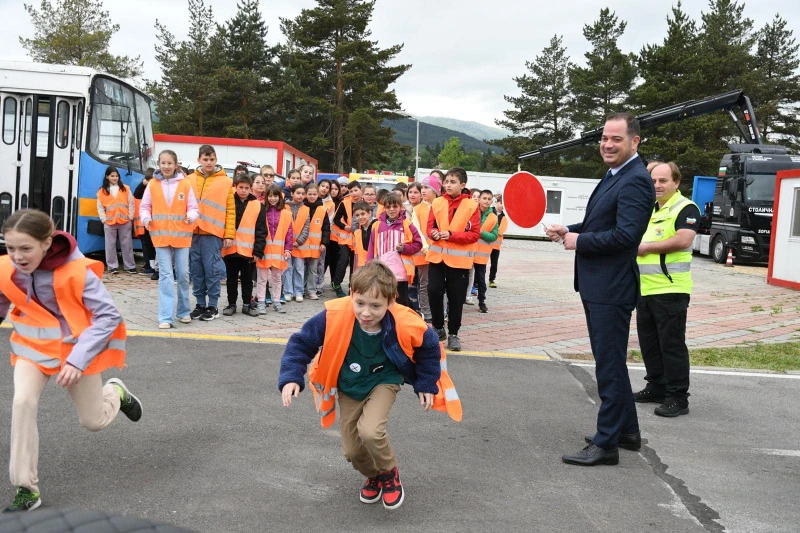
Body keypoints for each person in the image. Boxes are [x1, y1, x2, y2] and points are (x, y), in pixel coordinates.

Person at [278, 261, 462, 510]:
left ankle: (389, 473)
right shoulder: (334, 315)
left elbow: (428, 346)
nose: (366, 313)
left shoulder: (404, 320)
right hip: (350, 384)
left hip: (384, 379)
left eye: (375, 306)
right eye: (360, 303)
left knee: (371, 430)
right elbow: (301, 342)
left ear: (391, 301)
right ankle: (374, 475)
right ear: (352, 295)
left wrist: (427, 383)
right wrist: (291, 376)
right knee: (352, 451)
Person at [0, 209, 143, 513]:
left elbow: (108, 317)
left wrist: (77, 360)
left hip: (75, 354)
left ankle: (115, 392)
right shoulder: (6, 269)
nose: (17, 257)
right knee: (22, 402)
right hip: (32, 350)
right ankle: (26, 488)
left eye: (25, 248)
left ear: (47, 243)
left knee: (93, 421)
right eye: (10, 248)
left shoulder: (77, 271)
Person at [545, 112, 655, 467]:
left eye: (616, 139)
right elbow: (600, 223)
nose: (607, 145)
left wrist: (579, 240)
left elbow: (626, 237)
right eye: (604, 138)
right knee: (611, 363)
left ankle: (607, 444)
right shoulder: (616, 175)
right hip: (599, 286)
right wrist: (569, 230)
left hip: (612, 288)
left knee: (608, 366)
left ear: (634, 142)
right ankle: (627, 432)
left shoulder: (636, 180)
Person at [634, 162, 699, 417]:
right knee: (649, 344)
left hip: (671, 290)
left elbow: (684, 239)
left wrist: (647, 247)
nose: (657, 186)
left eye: (663, 181)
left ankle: (678, 397)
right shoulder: (649, 208)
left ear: (676, 182)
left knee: (671, 345)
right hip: (645, 289)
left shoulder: (685, 207)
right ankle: (656, 387)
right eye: (653, 181)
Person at [140, 150, 199, 329]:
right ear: (159, 164)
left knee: (183, 274)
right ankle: (165, 316)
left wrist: (190, 216)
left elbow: (194, 207)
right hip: (160, 236)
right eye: (163, 163)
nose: (166, 166)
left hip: (181, 236)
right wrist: (146, 219)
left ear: (176, 164)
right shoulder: (152, 185)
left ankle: (183, 311)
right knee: (165, 276)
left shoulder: (186, 184)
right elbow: (144, 207)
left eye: (169, 163)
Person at [426, 167, 480, 352]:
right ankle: (439, 327)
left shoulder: (472, 206)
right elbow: (429, 227)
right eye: (446, 182)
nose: (448, 185)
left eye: (452, 182)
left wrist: (451, 235)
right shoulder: (437, 202)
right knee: (433, 291)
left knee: (456, 298)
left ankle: (454, 334)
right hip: (437, 258)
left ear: (463, 185)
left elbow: (474, 235)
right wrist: (433, 234)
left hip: (459, 262)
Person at [188, 145, 235, 322]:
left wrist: (229, 234)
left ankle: (212, 305)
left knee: (212, 270)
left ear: (216, 160)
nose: (208, 162)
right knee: (196, 271)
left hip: (213, 233)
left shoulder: (226, 182)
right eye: (205, 159)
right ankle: (200, 304)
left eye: (212, 159)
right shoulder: (189, 179)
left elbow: (231, 210)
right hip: (192, 232)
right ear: (199, 159)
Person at [367, 192, 422, 308]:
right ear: (384, 208)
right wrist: (369, 266)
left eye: (395, 206)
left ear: (400, 207)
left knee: (401, 301)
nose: (391, 209)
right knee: (384, 300)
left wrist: (405, 248)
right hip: (382, 272)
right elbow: (371, 247)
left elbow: (418, 244)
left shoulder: (407, 225)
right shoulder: (377, 226)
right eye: (388, 207)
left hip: (400, 272)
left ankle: (407, 320)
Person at [222, 174, 267, 317]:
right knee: (231, 279)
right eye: (241, 187)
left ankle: (247, 304)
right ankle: (231, 304)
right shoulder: (229, 202)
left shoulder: (258, 205)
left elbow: (261, 230)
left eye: (247, 188)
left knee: (248, 280)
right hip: (230, 249)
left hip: (248, 251)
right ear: (235, 187)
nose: (243, 190)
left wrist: (258, 251)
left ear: (251, 188)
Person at [256, 184, 292, 313]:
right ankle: (261, 301)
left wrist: (288, 249)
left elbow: (289, 233)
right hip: (264, 251)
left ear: (280, 197)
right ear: (266, 197)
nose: (272, 199)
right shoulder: (261, 211)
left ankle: (276, 301)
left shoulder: (286, 214)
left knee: (277, 278)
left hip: (279, 252)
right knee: (262, 278)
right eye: (270, 196)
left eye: (275, 196)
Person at [96, 166, 137, 274]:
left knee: (127, 244)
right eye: (112, 176)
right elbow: (100, 207)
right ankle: (112, 266)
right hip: (109, 222)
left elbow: (131, 203)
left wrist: (130, 217)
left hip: (124, 221)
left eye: (116, 176)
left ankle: (130, 266)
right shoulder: (102, 191)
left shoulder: (125, 188)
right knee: (110, 245)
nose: (115, 178)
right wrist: (103, 219)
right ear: (107, 177)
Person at [331, 181, 363, 297]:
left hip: (358, 239)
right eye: (351, 191)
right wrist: (345, 227)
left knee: (355, 264)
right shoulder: (344, 203)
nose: (353, 193)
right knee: (343, 260)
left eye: (355, 190)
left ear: (360, 189)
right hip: (345, 238)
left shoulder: (364, 203)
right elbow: (336, 219)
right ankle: (337, 284)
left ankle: (352, 286)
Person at [302, 182, 330, 301]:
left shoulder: (322, 210)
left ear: (318, 194)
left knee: (313, 269)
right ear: (305, 194)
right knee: (301, 268)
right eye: (310, 194)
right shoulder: (302, 207)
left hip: (315, 245)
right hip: (302, 244)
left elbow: (326, 228)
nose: (312, 196)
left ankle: (311, 291)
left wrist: (324, 243)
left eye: (314, 194)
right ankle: (301, 289)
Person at [472, 190, 499, 313]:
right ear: (479, 199)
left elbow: (494, 236)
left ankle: (482, 301)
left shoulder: (493, 217)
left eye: (489, 199)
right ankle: (459, 300)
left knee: (481, 280)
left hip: (481, 255)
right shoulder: (471, 211)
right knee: (463, 279)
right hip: (467, 252)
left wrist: (481, 233)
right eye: (484, 198)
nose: (486, 201)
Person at [284, 184, 311, 302]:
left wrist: (299, 241)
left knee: (299, 269)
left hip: (300, 245)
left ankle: (298, 291)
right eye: (298, 193)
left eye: (302, 193)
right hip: (287, 245)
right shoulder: (285, 207)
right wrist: (289, 242)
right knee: (287, 268)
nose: (300, 195)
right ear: (292, 194)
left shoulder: (306, 209)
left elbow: (306, 227)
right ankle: (288, 291)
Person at [133, 168, 157, 277]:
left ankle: (153, 267)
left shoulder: (158, 187)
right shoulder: (145, 188)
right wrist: (143, 184)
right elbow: (137, 194)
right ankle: (150, 265)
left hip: (156, 221)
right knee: (147, 244)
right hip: (147, 222)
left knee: (154, 245)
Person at [352, 201, 377, 273]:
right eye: (357, 215)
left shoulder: (377, 226)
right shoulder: (358, 233)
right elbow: (357, 256)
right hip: (363, 269)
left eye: (363, 214)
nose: (360, 217)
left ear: (369, 213)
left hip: (377, 268)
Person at [488, 195, 508, 288]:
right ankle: (476, 281)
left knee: (494, 263)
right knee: (481, 262)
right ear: (496, 202)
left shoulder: (504, 218)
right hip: (485, 243)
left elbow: (501, 231)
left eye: (504, 203)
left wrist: (491, 230)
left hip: (496, 246)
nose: (503, 205)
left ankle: (492, 279)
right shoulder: (488, 211)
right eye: (501, 203)